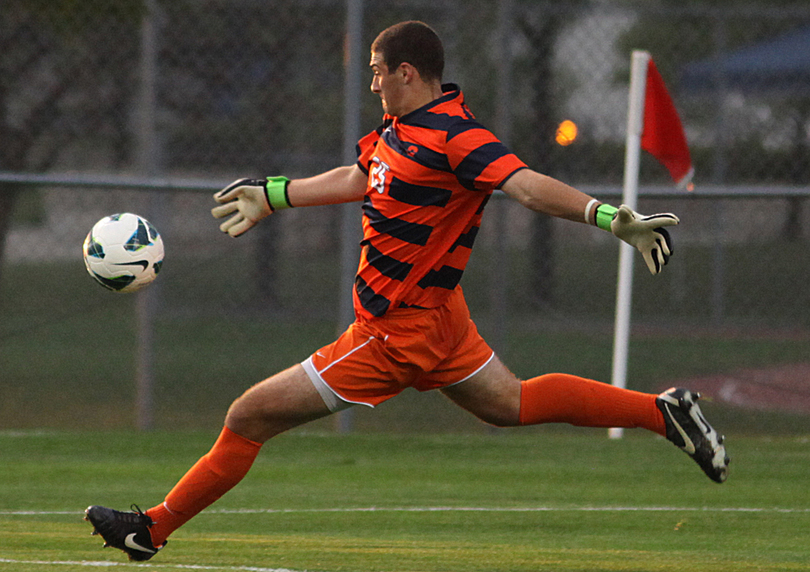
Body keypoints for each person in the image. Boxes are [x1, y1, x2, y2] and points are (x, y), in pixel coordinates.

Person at [85, 21, 729, 562]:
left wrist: (612, 218)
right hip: (439, 319)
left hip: (394, 334)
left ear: (408, 73)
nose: (371, 82)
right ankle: (662, 412)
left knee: (246, 416)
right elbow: (360, 176)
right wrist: (273, 195)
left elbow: (525, 184)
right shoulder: (398, 131)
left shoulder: (457, 135)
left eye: (376, 71)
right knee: (510, 403)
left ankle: (152, 530)